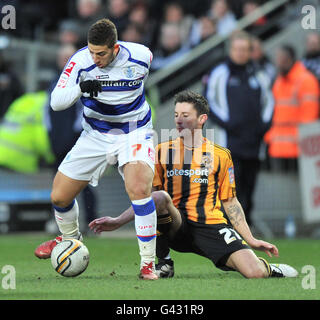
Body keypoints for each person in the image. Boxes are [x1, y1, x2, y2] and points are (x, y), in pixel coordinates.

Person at [89, 90, 298, 279]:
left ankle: (268, 268)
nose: (178, 121)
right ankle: (164, 263)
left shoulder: (220, 155)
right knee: (160, 197)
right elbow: (148, 198)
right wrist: (118, 221)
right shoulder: (161, 151)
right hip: (176, 225)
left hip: (211, 226)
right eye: (176, 115)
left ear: (202, 119)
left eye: (185, 115)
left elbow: (231, 202)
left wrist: (250, 239)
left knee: (254, 273)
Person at [34, 18, 158, 280]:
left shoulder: (142, 56)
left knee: (139, 189)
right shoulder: (81, 61)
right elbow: (56, 102)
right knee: (59, 197)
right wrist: (80, 88)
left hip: (133, 132)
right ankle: (70, 240)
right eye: (92, 51)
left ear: (115, 48)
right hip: (95, 135)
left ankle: (148, 263)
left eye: (101, 53)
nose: (95, 58)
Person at [205, 30, 274, 226]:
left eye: (245, 49)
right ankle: (228, 227)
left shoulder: (260, 74)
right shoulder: (219, 73)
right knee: (229, 187)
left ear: (250, 51)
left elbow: (269, 103)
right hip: (229, 142)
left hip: (253, 141)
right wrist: (228, 124)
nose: (241, 53)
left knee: (249, 186)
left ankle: (247, 228)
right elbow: (209, 100)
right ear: (231, 50)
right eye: (237, 49)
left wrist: (263, 126)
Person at [44, 44, 98, 230]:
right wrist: (51, 134)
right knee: (58, 183)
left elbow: (84, 109)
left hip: (75, 138)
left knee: (84, 183)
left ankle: (91, 221)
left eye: (68, 58)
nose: (64, 61)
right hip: (57, 139)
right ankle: (62, 224)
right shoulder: (54, 82)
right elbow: (47, 109)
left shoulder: (83, 79)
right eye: (62, 58)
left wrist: (76, 134)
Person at [264, 45, 320, 171]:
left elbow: (309, 118)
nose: (277, 63)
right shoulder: (279, 81)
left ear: (288, 59)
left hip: (299, 149)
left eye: (280, 59)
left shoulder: (306, 81)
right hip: (278, 148)